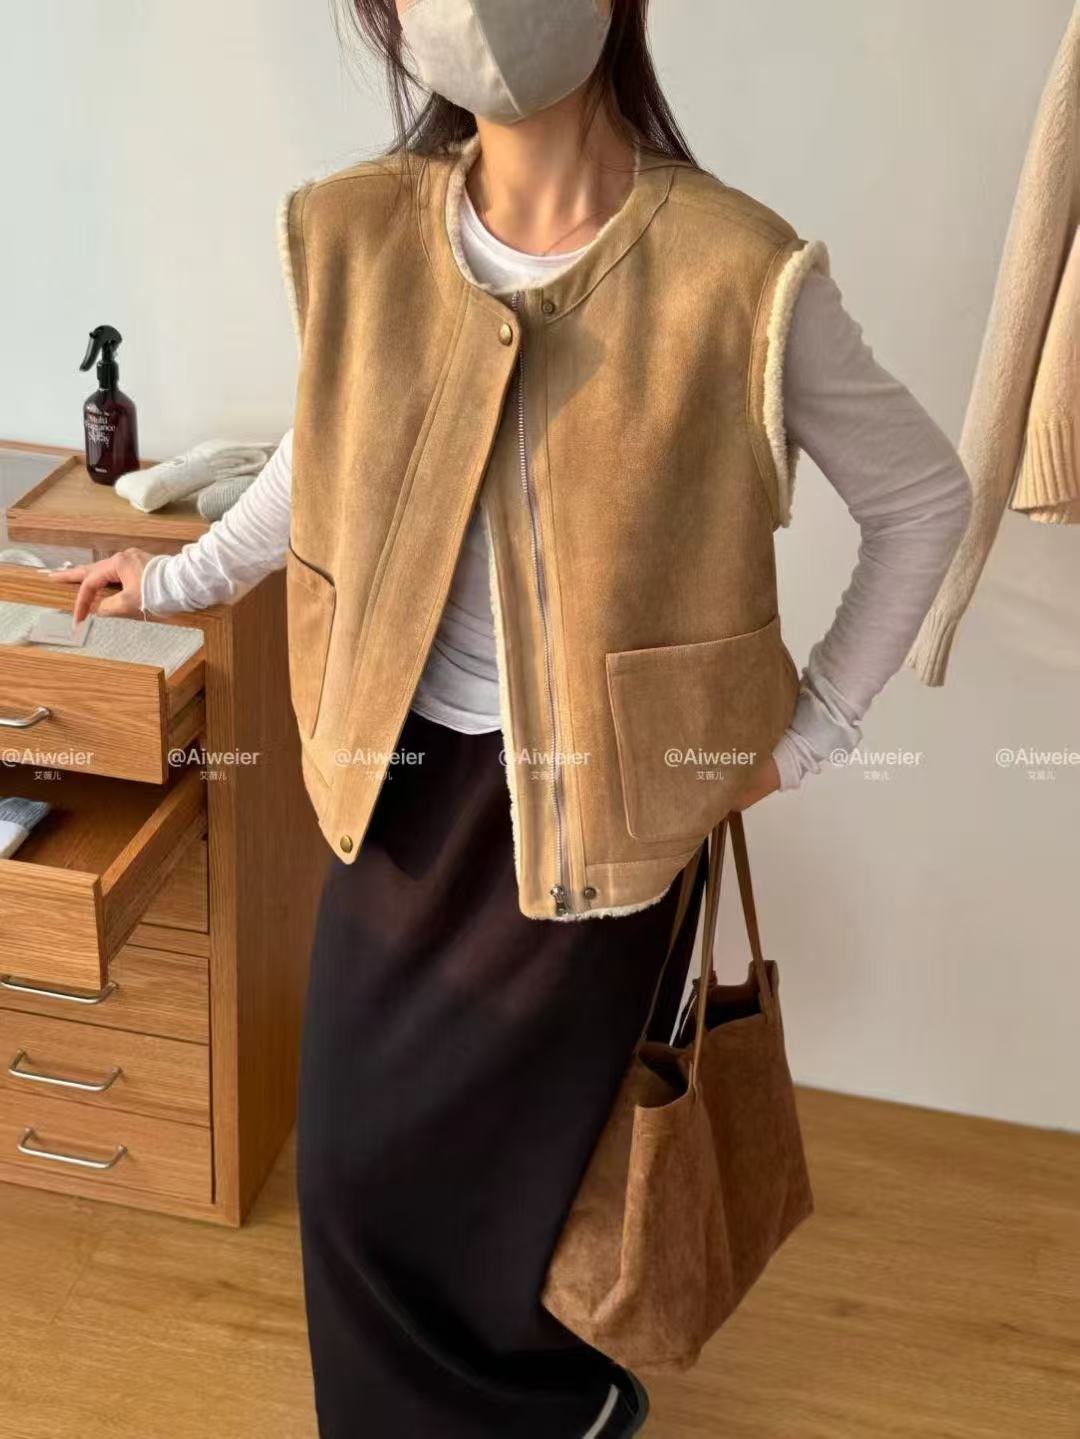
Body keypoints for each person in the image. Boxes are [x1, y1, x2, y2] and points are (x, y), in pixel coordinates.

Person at [50, 2, 972, 1435]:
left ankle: (550, 1411)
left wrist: (805, 739)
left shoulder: (738, 272)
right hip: (399, 777)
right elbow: (317, 455)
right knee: (351, 1170)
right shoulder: (362, 228)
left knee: (511, 1189)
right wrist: (176, 576)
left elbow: (924, 503)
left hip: (601, 817)